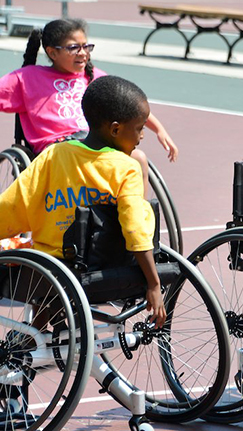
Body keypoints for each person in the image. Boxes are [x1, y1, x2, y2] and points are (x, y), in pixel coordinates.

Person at [0, 75, 167, 329]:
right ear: (115, 129)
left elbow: (14, 205)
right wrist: (154, 283)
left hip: (48, 271)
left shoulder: (54, 154)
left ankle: (36, 333)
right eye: (139, 127)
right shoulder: (127, 168)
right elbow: (136, 229)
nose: (142, 135)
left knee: (45, 265)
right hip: (102, 270)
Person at [0, 18, 178, 192]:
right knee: (82, 158)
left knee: (138, 158)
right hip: (56, 151)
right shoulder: (26, 78)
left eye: (86, 46)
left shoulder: (95, 78)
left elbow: (129, 106)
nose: (83, 53)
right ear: (52, 53)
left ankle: (138, 215)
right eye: (73, 48)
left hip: (92, 142)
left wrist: (159, 130)